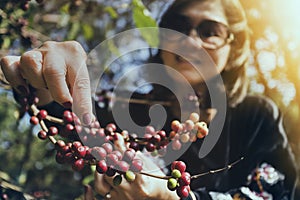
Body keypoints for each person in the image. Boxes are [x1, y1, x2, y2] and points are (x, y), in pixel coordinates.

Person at [1, 0, 298, 199]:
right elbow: (75, 121)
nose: (190, 40)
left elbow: (274, 193)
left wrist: (171, 196)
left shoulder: (256, 114)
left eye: (211, 31)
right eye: (179, 28)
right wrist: (45, 82)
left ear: (233, 50)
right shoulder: (129, 111)